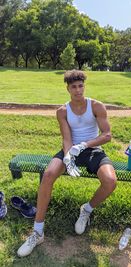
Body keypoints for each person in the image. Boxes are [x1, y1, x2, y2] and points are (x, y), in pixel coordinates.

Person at [17, 69, 117, 257]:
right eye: (74, 87)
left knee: (110, 181)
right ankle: (37, 232)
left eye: (81, 86)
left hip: (92, 149)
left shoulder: (96, 106)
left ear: (84, 86)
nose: (78, 90)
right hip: (70, 149)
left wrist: (85, 145)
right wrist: (69, 155)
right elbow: (66, 137)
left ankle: (86, 210)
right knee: (48, 175)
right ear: (68, 89)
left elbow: (107, 135)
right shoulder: (62, 111)